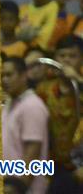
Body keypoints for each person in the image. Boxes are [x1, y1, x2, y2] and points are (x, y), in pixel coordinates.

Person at [34, 35, 83, 191]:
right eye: (62, 56)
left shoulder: (80, 86)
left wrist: (78, 80)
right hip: (52, 164)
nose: (66, 60)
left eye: (72, 56)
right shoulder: (43, 89)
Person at [1, 56, 50, 194]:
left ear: (24, 75)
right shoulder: (10, 104)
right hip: (6, 184)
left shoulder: (32, 106)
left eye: (9, 75)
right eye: (2, 76)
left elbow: (33, 151)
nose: (4, 80)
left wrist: (19, 186)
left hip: (22, 188)